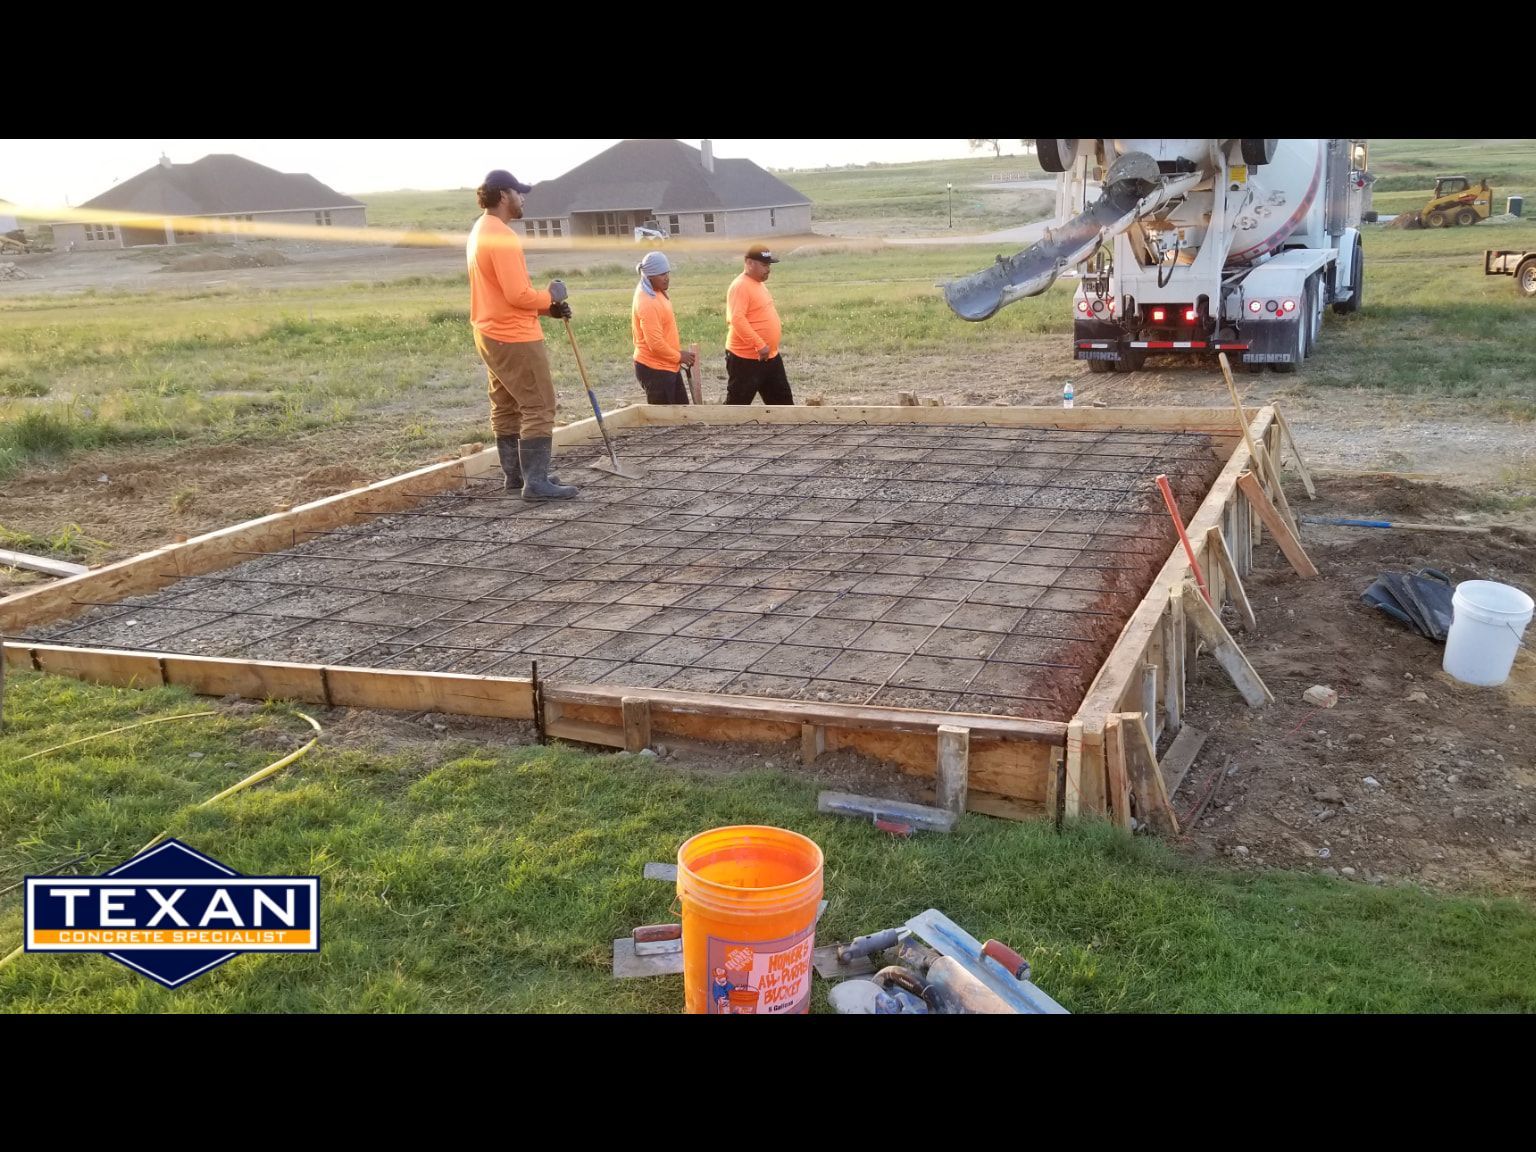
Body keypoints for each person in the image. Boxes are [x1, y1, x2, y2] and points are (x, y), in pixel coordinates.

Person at [466, 167, 577, 501]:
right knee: (539, 405)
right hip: (514, 336)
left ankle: (517, 476)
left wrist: (546, 309)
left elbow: (504, 293)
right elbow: (516, 295)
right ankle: (536, 482)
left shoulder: (480, 230)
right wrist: (551, 297)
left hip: (490, 332)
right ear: (503, 195)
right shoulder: (501, 235)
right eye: (519, 193)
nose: (523, 198)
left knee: (507, 405)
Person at [724, 243, 794, 405]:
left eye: (769, 265)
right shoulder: (740, 286)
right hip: (746, 358)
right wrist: (759, 344)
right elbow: (737, 319)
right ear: (749, 263)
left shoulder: (758, 284)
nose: (768, 269)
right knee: (738, 404)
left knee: (783, 402)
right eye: (764, 265)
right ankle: (727, 428)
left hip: (769, 356)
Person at [631, 250, 696, 404]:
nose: (667, 278)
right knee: (663, 420)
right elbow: (655, 344)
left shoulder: (657, 291)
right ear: (650, 276)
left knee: (682, 415)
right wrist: (680, 356)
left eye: (667, 273)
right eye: (662, 275)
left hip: (668, 365)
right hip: (654, 369)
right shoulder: (647, 302)